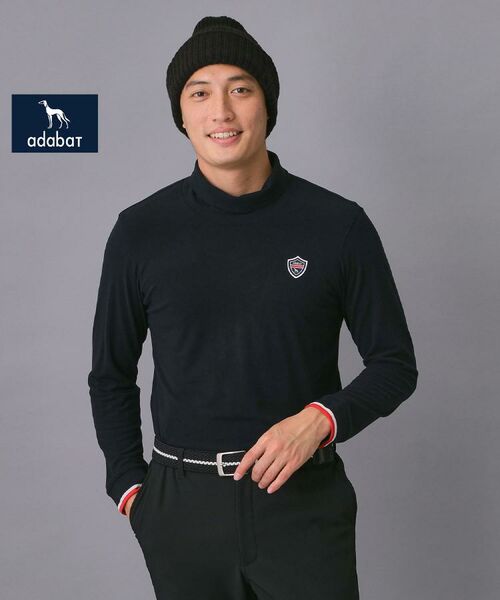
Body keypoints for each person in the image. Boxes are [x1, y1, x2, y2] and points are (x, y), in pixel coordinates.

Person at [87, 15, 418, 600]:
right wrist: (131, 489)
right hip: (180, 510)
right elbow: (110, 375)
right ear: (181, 114)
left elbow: (395, 364)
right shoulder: (140, 232)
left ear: (267, 106)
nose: (221, 111)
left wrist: (320, 420)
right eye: (200, 93)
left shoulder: (337, 225)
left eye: (240, 89)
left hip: (303, 503)